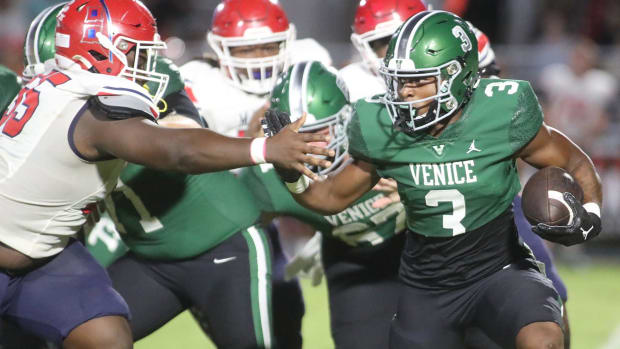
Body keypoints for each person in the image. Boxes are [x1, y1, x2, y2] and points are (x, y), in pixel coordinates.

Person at [0, 1, 332, 348]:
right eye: (137, 54)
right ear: (97, 52)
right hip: (50, 246)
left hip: (197, 243)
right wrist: (263, 148)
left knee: (106, 336)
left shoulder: (52, 89)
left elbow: (180, 132)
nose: (147, 66)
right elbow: (177, 149)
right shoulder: (92, 110)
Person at [265, 10, 603, 349]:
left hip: (499, 269)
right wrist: (290, 172)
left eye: (418, 80)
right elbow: (330, 198)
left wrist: (590, 212)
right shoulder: (380, 126)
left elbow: (573, 160)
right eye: (399, 80)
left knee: (544, 340)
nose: (406, 93)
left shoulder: (501, 111)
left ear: (457, 75)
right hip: (427, 285)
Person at [180, 1, 331, 347]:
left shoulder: (308, 61)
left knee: (286, 312)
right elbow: (187, 160)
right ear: (219, 48)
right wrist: (247, 142)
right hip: (219, 223)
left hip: (287, 207)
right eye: (245, 48)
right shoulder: (200, 83)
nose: (259, 57)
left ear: (287, 42)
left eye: (268, 46)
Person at [240, 60, 408, 348]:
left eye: (322, 132)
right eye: (299, 136)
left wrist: (417, 186)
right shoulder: (267, 178)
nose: (311, 148)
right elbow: (227, 235)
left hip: (422, 247)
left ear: (347, 119)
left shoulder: (386, 131)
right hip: (354, 262)